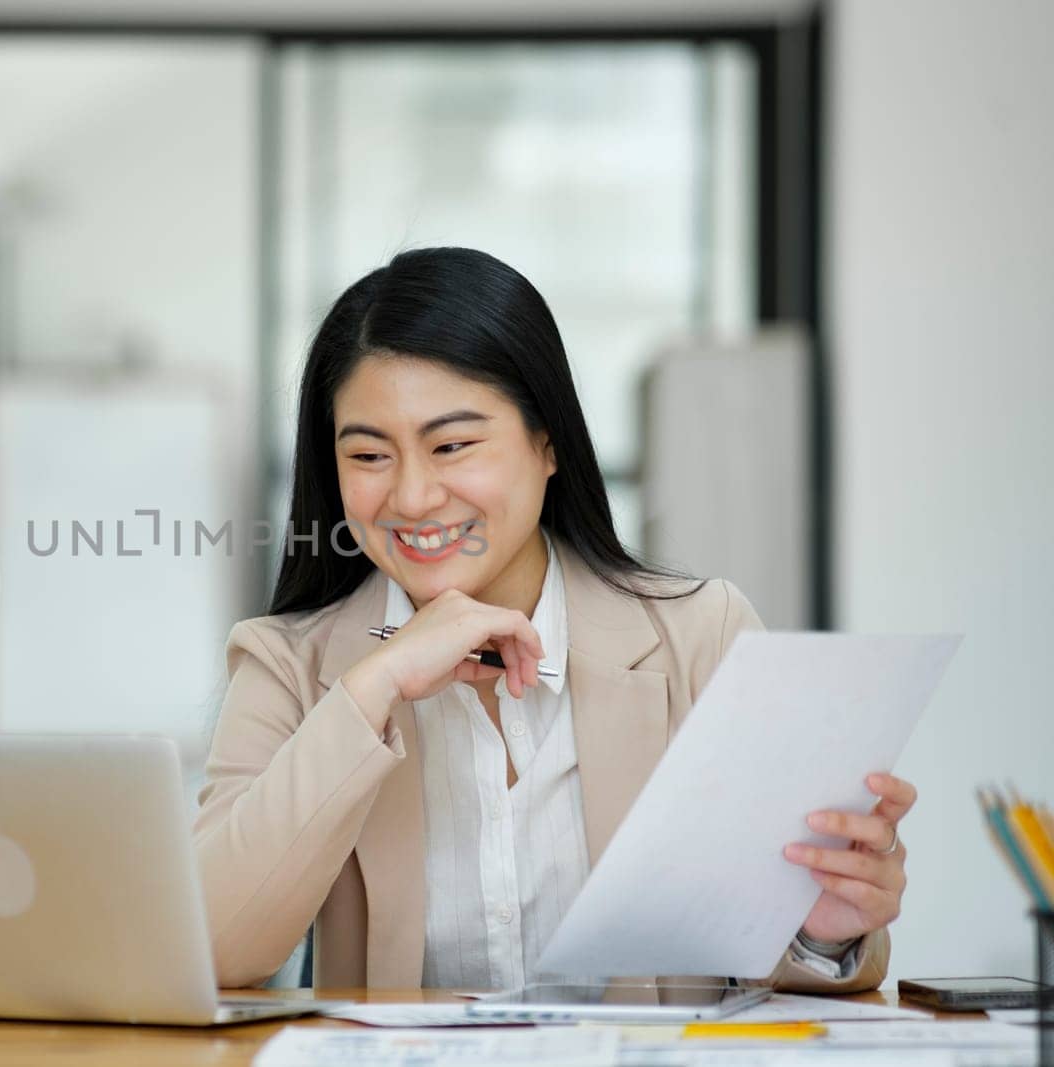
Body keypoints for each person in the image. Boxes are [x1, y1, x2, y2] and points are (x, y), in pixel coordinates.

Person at [193, 247, 911, 993]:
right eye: (369, 454)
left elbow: (785, 968)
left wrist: (823, 927)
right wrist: (374, 686)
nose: (410, 497)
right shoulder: (286, 663)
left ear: (548, 442)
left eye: (452, 445)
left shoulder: (703, 636)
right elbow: (211, 948)